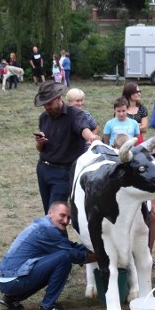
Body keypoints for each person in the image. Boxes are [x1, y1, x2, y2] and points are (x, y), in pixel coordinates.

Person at [0, 201, 93, 310]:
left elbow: (69, 245)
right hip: (12, 280)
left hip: (8, 279)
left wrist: (93, 248)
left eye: (69, 217)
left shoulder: (47, 224)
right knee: (64, 258)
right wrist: (101, 255)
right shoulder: (49, 229)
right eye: (62, 215)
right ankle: (47, 308)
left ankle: (11, 298)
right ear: (50, 213)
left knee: (56, 261)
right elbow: (75, 256)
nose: (66, 221)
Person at [33, 81, 97, 214]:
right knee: (48, 213)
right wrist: (40, 142)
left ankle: (57, 234)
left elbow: (83, 129)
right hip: (43, 169)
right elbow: (40, 149)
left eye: (49, 103)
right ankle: (53, 235)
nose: (47, 107)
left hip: (64, 173)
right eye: (44, 104)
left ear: (58, 98)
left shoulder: (75, 114)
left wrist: (90, 136)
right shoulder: (44, 117)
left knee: (54, 215)